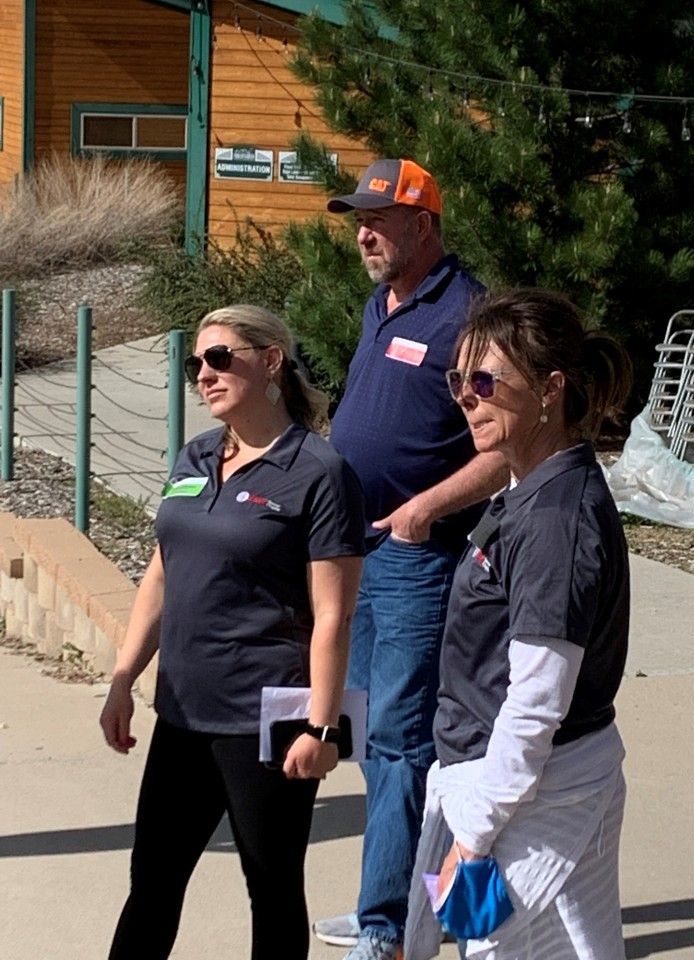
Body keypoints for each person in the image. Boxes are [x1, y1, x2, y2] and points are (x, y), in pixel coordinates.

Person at [99, 305, 365, 960]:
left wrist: (322, 727)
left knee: (271, 890)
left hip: (263, 721)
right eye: (197, 363)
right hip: (183, 715)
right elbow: (161, 577)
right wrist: (123, 678)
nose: (204, 375)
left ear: (271, 360)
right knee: (152, 883)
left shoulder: (320, 473)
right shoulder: (195, 456)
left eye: (219, 358)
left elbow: (333, 613)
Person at [315, 159, 508, 960]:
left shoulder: (468, 317)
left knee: (409, 742)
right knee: (372, 738)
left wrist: (425, 509)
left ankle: (390, 930)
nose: (363, 231)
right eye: (357, 217)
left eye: (379, 219)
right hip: (353, 551)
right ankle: (388, 904)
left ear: (423, 225)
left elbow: (503, 448)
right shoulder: (381, 303)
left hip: (415, 561)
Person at [404, 289, 633, 960]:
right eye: (458, 382)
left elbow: (536, 702)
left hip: (533, 800)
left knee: (501, 951)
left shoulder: (555, 520)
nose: (466, 398)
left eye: (484, 381)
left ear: (549, 390)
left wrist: (473, 836)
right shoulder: (528, 490)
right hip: (523, 789)